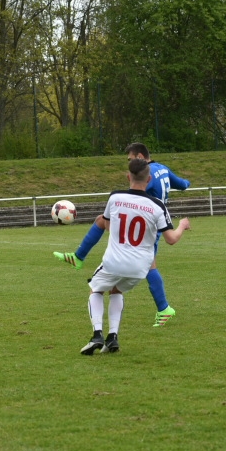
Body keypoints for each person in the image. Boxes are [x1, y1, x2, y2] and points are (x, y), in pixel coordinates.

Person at [55, 142, 190, 327]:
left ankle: (164, 308)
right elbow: (182, 185)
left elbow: (138, 193)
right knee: (101, 220)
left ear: (140, 158)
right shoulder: (163, 169)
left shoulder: (147, 177)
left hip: (149, 222)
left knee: (150, 265)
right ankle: (78, 257)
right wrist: (187, 183)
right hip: (155, 219)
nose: (129, 162)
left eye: (130, 159)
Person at [80, 158, 190, 355]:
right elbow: (171, 239)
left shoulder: (114, 198)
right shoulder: (157, 206)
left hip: (115, 261)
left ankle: (97, 333)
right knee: (116, 291)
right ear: (149, 179)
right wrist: (182, 225)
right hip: (140, 268)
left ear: (128, 176)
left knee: (95, 290)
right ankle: (112, 337)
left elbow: (104, 224)